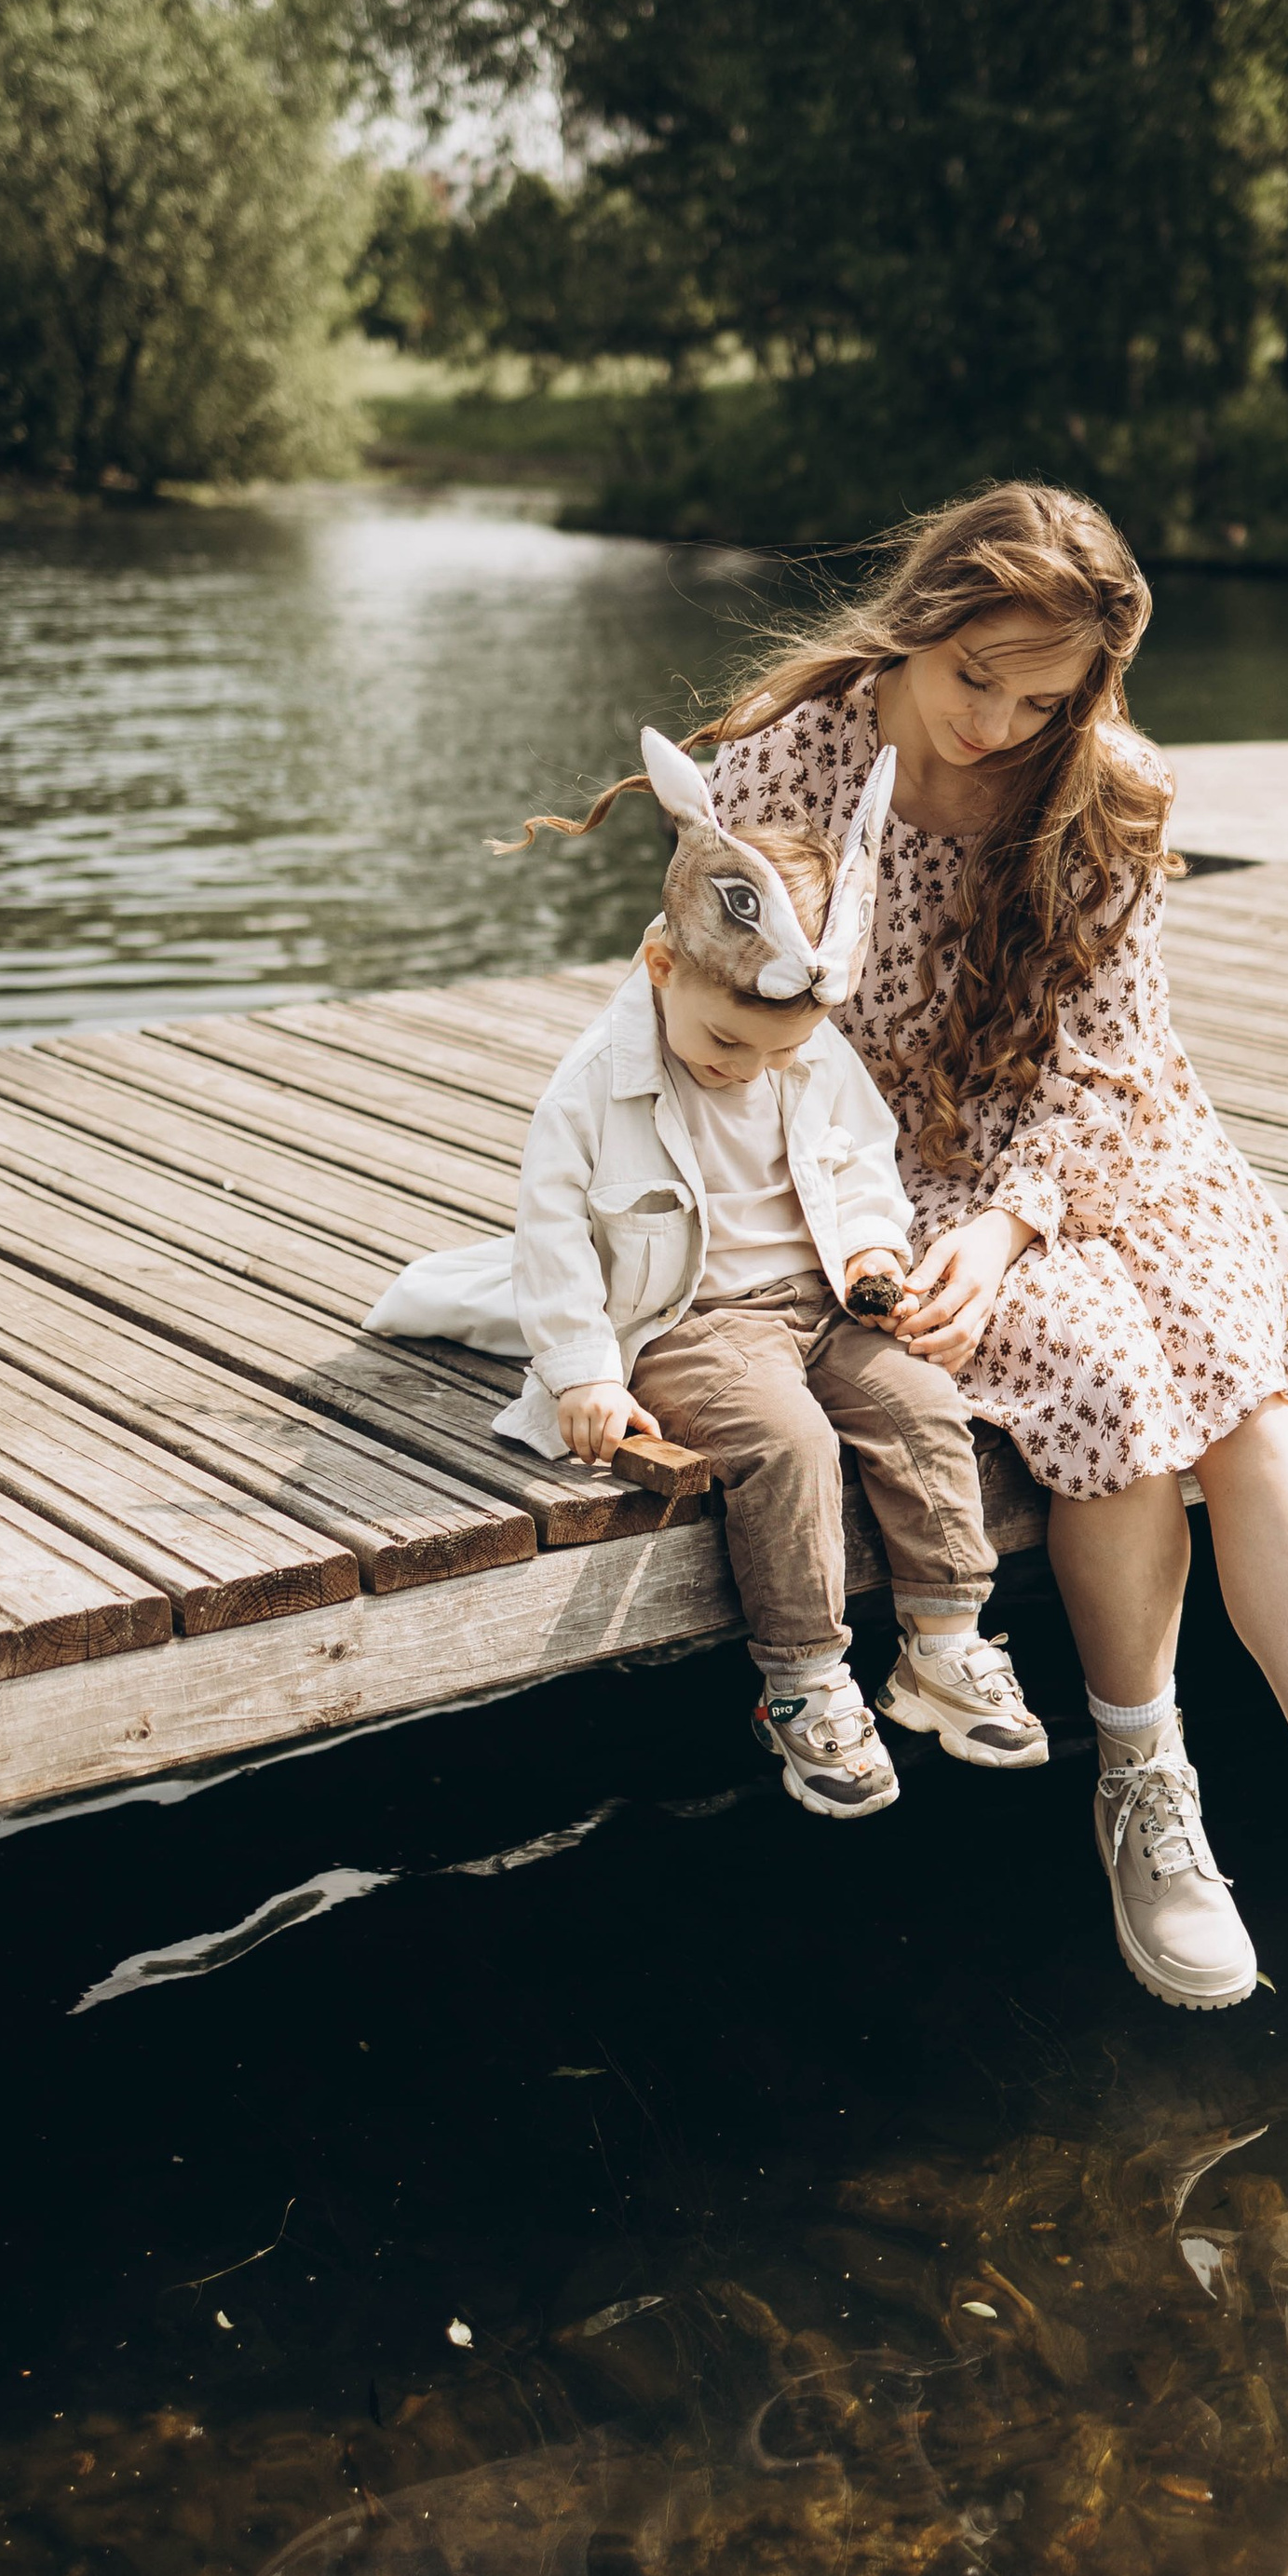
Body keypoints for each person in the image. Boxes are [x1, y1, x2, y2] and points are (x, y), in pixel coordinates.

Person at [693, 481, 1288, 2009]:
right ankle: (1149, 1795)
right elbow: (723, 1028)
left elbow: (1112, 1063)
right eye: (969, 677)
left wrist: (1018, 1216)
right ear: (913, 630)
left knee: (1243, 1386)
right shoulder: (783, 764)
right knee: (1112, 1385)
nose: (997, 720)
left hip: (1100, 1140)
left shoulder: (1105, 791)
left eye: (1041, 695)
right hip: (883, 1163)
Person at [368, 733, 1047, 1820]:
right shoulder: (591, 1090)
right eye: (732, 1042)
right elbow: (549, 1246)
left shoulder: (805, 1050)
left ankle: (943, 1642)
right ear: (660, 964)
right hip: (693, 1319)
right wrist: (587, 1374)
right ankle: (803, 1682)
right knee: (790, 1443)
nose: (753, 1068)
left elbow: (861, 1163)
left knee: (922, 1402)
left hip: (820, 1301)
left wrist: (874, 1251)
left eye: (781, 1052)